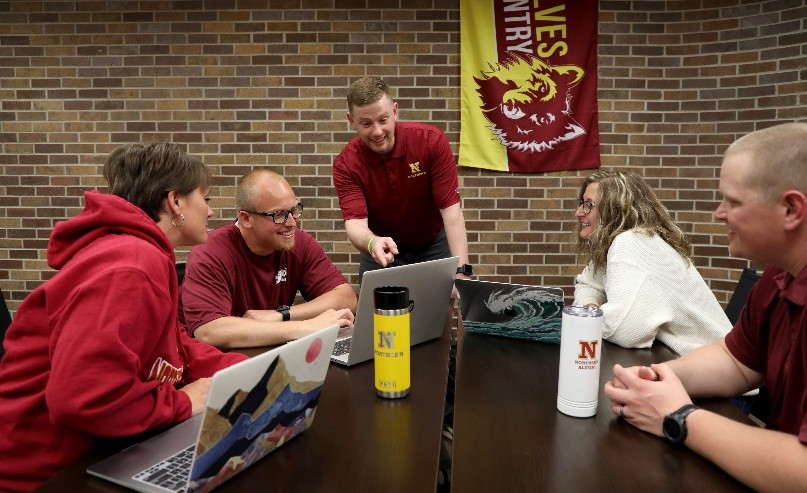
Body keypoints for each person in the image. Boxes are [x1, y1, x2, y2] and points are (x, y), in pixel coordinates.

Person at [0, 143, 248, 492]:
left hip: (99, 454)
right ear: (175, 201)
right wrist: (183, 402)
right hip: (46, 475)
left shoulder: (144, 255)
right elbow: (82, 397)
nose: (210, 211)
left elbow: (174, 349)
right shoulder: (131, 265)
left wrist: (246, 371)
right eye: (205, 198)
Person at [604, 122, 807, 492]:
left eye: (733, 201)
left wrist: (678, 416)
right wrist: (659, 378)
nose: (718, 213)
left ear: (792, 209)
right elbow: (736, 361)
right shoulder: (778, 275)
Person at [179, 169, 356, 350]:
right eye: (278, 215)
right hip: (211, 366)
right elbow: (209, 332)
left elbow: (346, 297)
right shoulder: (210, 252)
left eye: (294, 210)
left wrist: (281, 315)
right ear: (246, 218)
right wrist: (307, 327)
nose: (292, 222)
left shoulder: (298, 243)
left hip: (269, 355)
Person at [573, 170, 731, 356]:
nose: (578, 213)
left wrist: (589, 316)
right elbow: (588, 284)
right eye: (582, 204)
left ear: (614, 209)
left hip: (718, 374)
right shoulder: (620, 241)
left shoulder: (631, 242)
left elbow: (624, 331)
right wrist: (592, 309)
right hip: (687, 363)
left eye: (589, 205)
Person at [332, 75, 472, 279]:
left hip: (432, 244)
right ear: (351, 121)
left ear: (395, 111)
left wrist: (462, 270)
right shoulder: (347, 163)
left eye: (383, 120)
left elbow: (451, 213)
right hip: (379, 250)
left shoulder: (430, 141)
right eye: (366, 123)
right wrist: (373, 243)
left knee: (439, 310)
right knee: (376, 310)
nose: (377, 131)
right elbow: (355, 224)